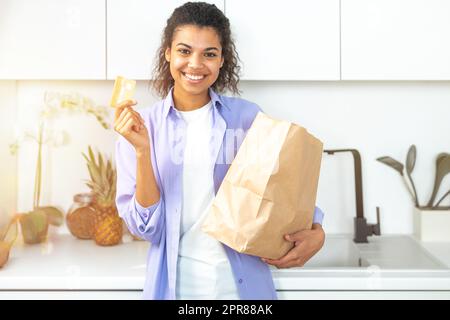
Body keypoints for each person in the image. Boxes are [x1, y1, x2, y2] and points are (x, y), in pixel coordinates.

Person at [114, 2, 325, 300]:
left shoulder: (248, 118)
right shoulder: (140, 128)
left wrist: (317, 231)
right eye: (184, 51)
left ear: (222, 59)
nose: (195, 64)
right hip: (177, 288)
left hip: (243, 289)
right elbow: (146, 228)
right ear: (168, 53)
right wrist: (142, 152)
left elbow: (285, 193)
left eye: (209, 54)